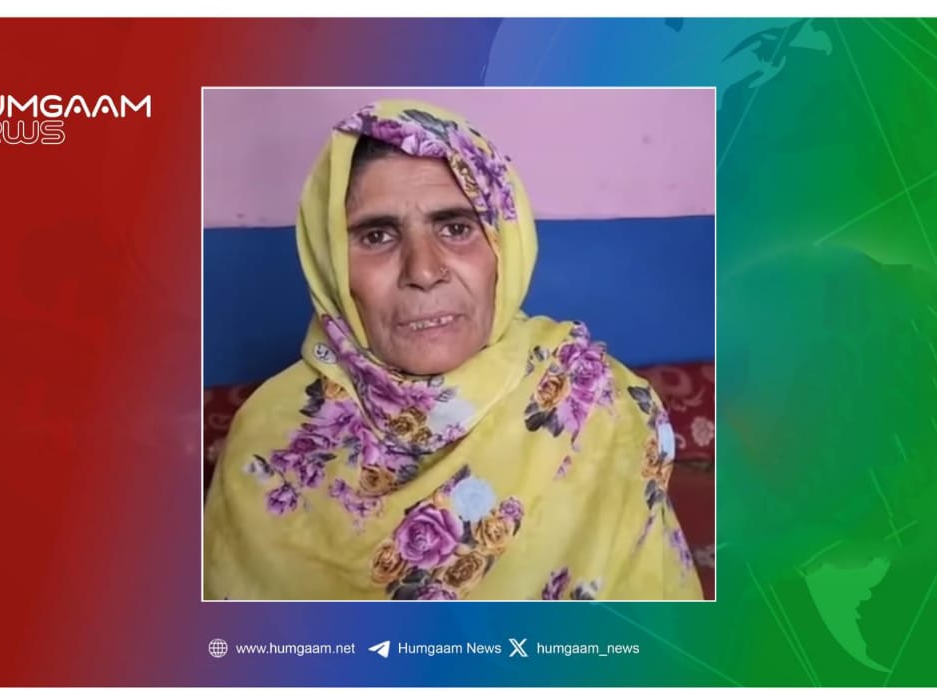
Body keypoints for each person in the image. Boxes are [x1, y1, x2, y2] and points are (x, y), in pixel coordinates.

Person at [203, 100, 702, 600]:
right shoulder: (269, 442)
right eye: (377, 236)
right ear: (330, 263)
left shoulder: (599, 405)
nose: (423, 270)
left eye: (457, 228)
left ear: (505, 246)